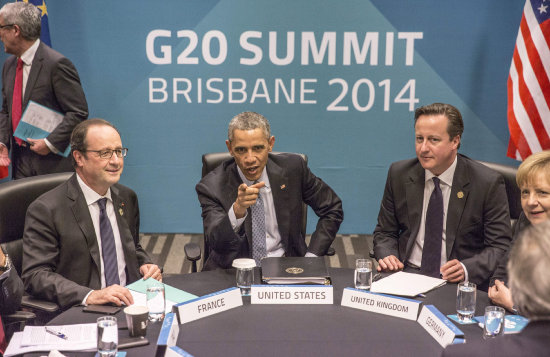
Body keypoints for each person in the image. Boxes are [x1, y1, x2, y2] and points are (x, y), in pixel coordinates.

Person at [21, 119, 161, 309]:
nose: (115, 161)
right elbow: (36, 275)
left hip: (130, 304)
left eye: (119, 152)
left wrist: (145, 264)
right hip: (81, 311)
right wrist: (90, 295)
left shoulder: (127, 198)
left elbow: (131, 246)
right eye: (105, 153)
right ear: (79, 157)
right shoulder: (46, 209)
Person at [373, 103, 511, 288]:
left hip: (455, 281)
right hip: (406, 273)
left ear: (455, 141)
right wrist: (388, 255)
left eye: (433, 140)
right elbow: (384, 232)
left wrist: (466, 268)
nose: (423, 148)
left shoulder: (486, 183)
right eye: (419, 138)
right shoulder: (400, 174)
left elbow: (499, 247)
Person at [196, 111, 343, 270]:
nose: (250, 159)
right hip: (232, 272)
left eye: (258, 148)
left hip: (287, 268)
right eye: (241, 150)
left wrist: (311, 257)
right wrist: (237, 210)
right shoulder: (211, 186)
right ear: (230, 148)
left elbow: (332, 209)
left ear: (270, 144)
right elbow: (217, 243)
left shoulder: (293, 169)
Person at [0, 2, 88, 179]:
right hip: (20, 162)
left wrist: (50, 143)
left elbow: (78, 112)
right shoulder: (9, 65)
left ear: (16, 30)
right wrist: (3, 142)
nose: (0, 34)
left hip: (51, 165)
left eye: (1, 27)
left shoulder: (56, 64)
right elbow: (6, 111)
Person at [442, 221, 550, 356]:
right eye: (524, 197)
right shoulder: (526, 222)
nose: (531, 202)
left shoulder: (459, 354)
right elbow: (498, 281)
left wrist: (515, 305)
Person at [488, 150, 550, 311]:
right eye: (525, 192)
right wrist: (497, 287)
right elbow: (507, 265)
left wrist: (515, 304)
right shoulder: (527, 219)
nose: (530, 202)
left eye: (542, 193)